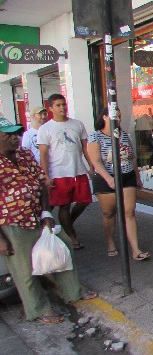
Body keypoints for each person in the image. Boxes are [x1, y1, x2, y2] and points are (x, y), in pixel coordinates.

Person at [0, 117, 96, 324]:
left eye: (16, 134)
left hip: (37, 216)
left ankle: (72, 291)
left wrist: (45, 213)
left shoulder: (24, 155)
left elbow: (42, 185)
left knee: (64, 247)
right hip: (11, 223)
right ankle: (39, 308)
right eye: (7, 135)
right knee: (25, 269)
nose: (14, 139)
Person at [87, 107, 150, 261]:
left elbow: (132, 157)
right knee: (109, 212)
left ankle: (135, 249)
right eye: (116, 116)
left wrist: (137, 176)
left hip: (126, 175)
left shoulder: (123, 136)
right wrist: (108, 178)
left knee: (129, 212)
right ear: (104, 117)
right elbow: (95, 160)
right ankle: (110, 242)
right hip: (105, 177)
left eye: (120, 116)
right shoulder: (95, 136)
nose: (119, 119)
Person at [38, 94, 93, 250]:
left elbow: (84, 147)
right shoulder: (45, 129)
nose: (62, 108)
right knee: (64, 206)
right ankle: (71, 236)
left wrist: (91, 165)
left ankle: (68, 222)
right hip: (58, 173)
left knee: (85, 200)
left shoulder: (77, 124)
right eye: (58, 105)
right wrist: (46, 175)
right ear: (51, 108)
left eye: (64, 104)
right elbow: (43, 154)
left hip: (78, 171)